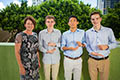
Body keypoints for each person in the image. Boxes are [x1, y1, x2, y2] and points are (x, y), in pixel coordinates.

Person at [85, 11, 117, 80]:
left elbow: (115, 43)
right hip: (92, 60)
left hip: (104, 61)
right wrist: (91, 52)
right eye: (93, 19)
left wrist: (107, 46)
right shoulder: (87, 32)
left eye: (97, 18)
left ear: (100, 19)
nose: (95, 21)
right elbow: (87, 44)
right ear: (91, 20)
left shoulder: (108, 31)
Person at [61, 15, 85, 80]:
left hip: (78, 60)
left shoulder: (82, 32)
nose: (72, 22)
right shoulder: (64, 34)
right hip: (68, 60)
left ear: (77, 22)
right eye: (70, 21)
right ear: (68, 23)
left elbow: (86, 44)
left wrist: (82, 44)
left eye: (74, 20)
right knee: (67, 78)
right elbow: (62, 47)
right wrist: (69, 48)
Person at [38, 15, 61, 80]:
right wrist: (47, 51)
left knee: (54, 78)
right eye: (48, 22)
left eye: (51, 22)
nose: (50, 23)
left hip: (56, 58)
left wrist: (55, 44)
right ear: (45, 23)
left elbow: (61, 44)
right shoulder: (41, 33)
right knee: (47, 78)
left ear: (54, 23)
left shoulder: (58, 32)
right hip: (46, 59)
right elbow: (39, 46)